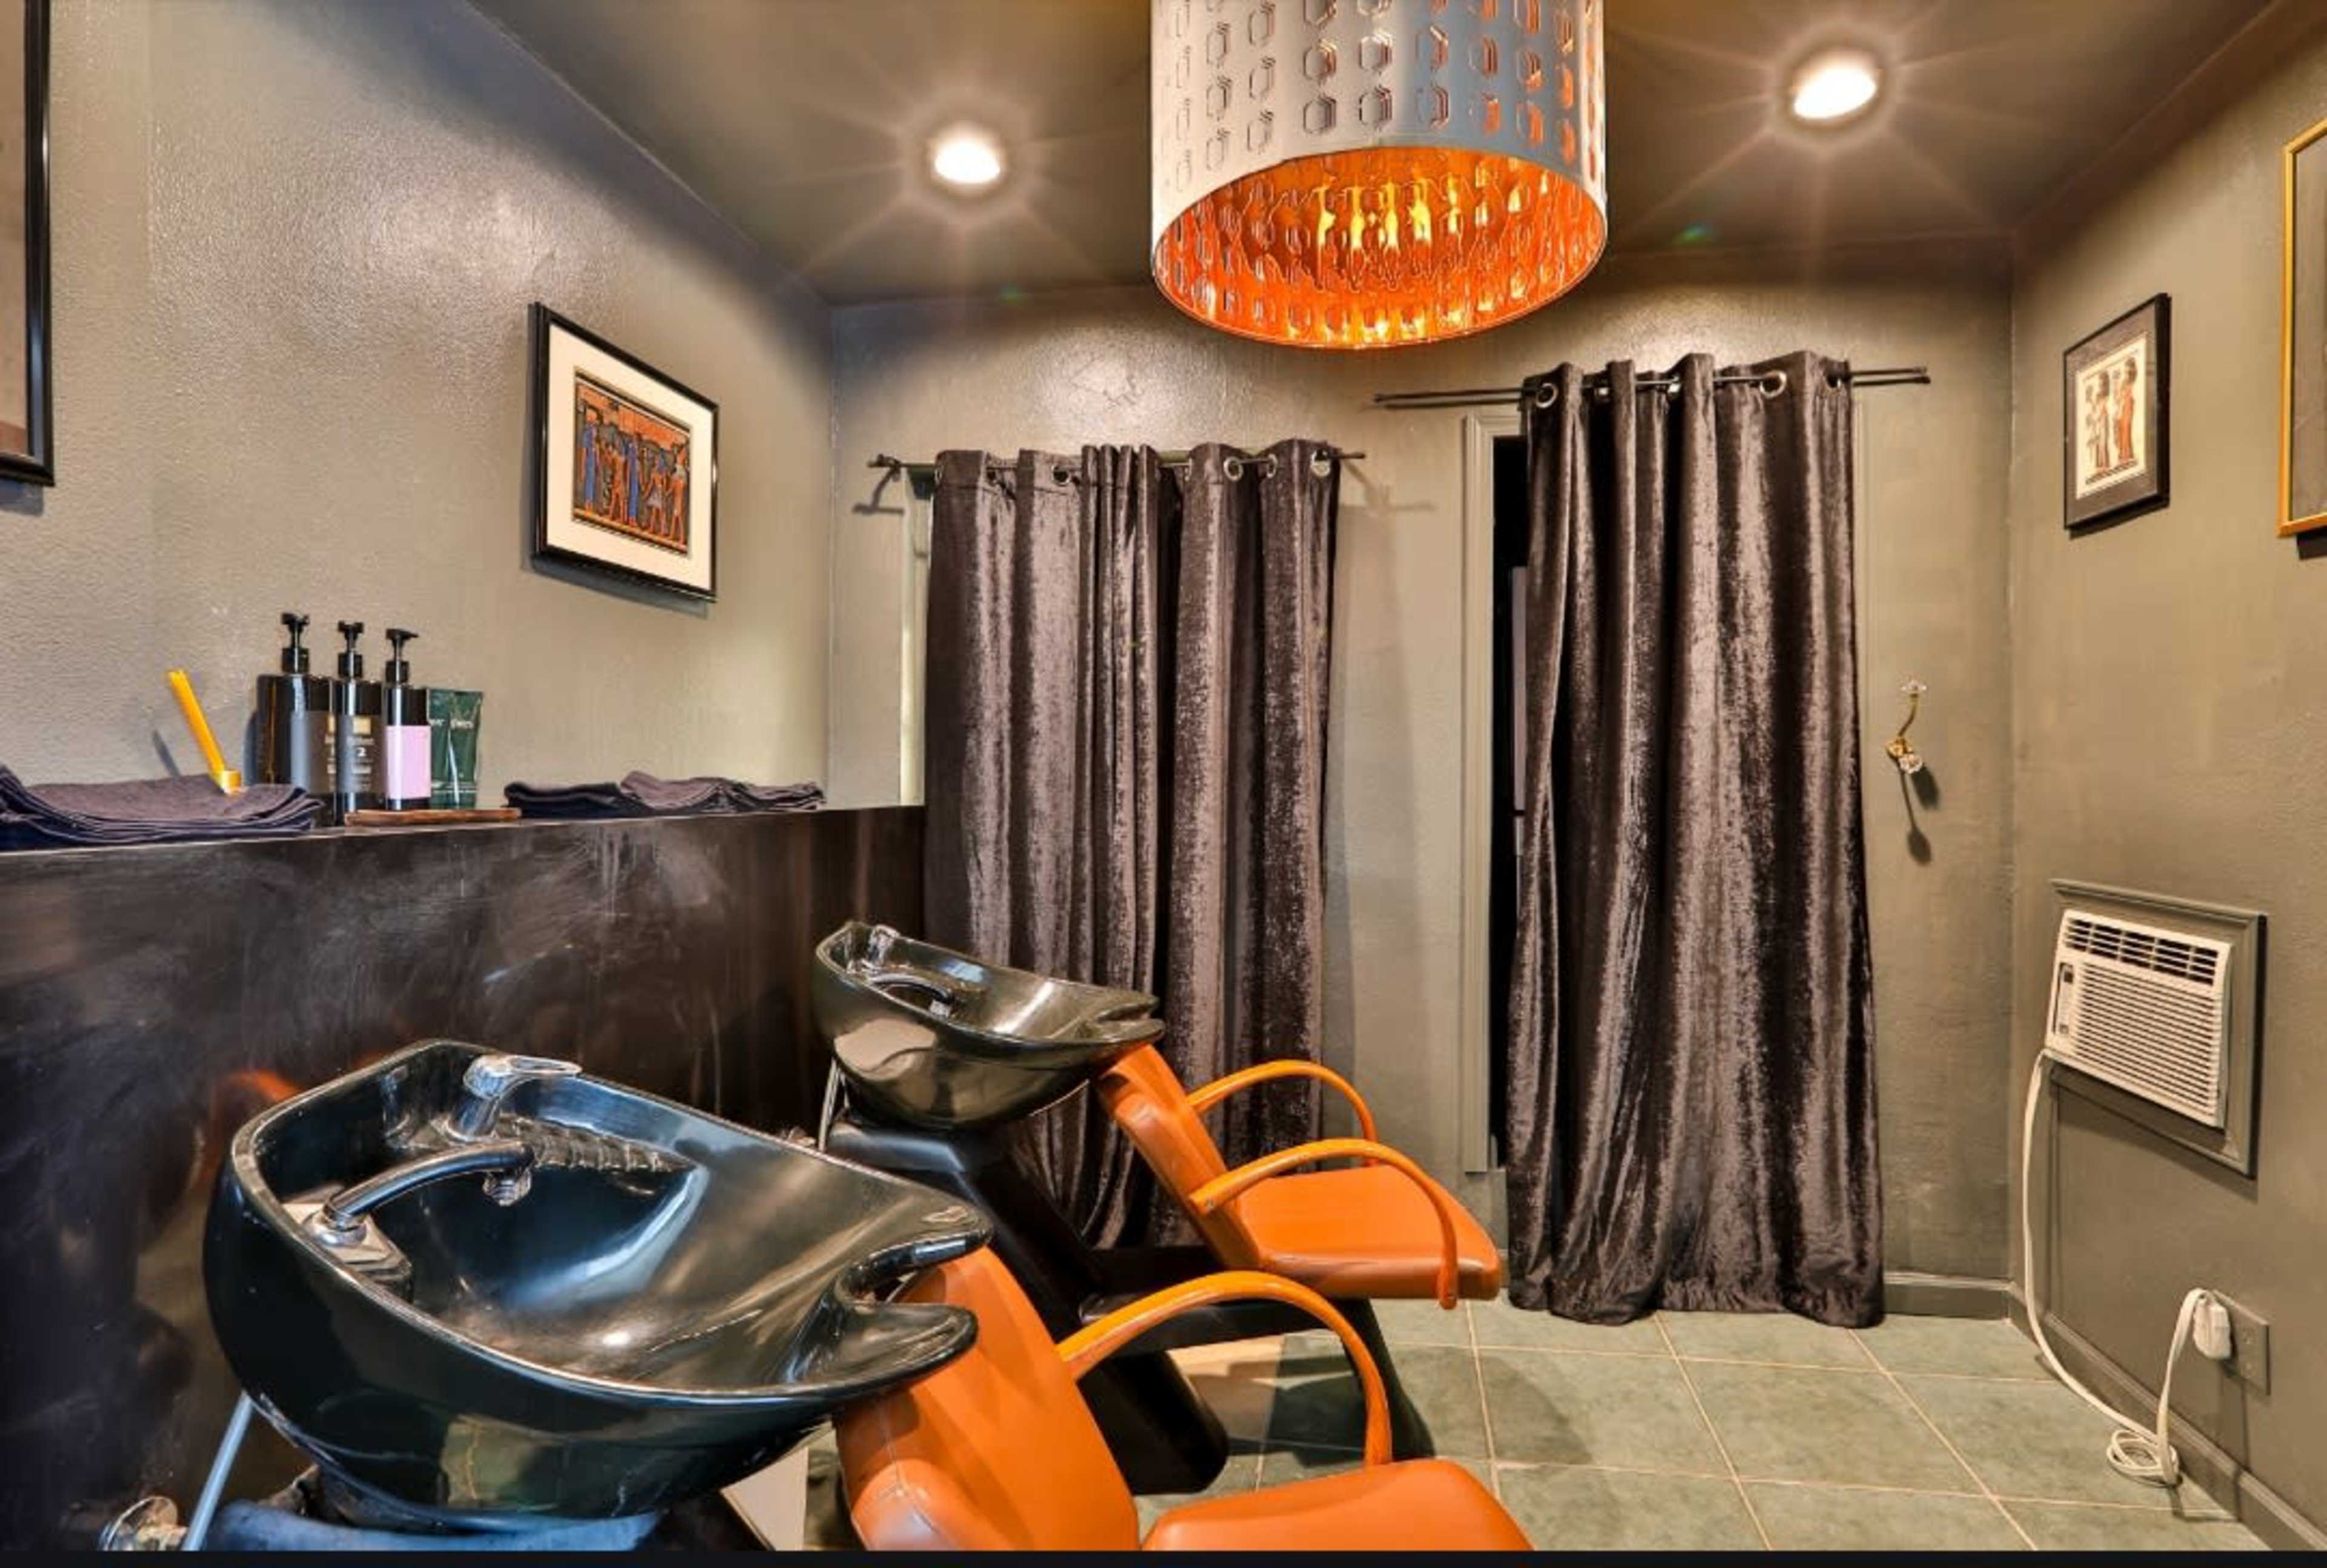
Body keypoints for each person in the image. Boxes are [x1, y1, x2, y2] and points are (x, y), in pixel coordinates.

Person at [2113, 357, 2139, 475]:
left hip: (2128, 406)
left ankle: (2126, 456)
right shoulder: (2125, 381)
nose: (2127, 371)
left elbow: (2123, 396)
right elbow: (2119, 397)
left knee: (2126, 430)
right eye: (2126, 368)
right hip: (2124, 406)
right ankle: (2124, 456)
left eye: (2129, 368)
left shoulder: (2130, 381)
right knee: (2123, 430)